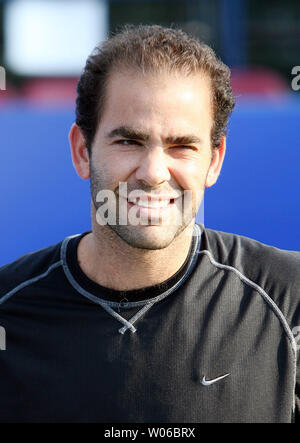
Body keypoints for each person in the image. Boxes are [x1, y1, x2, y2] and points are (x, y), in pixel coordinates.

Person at [0, 24, 299, 424]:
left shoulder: (290, 300)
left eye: (182, 146)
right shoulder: (8, 312)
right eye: (129, 142)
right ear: (82, 152)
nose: (154, 172)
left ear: (214, 160)